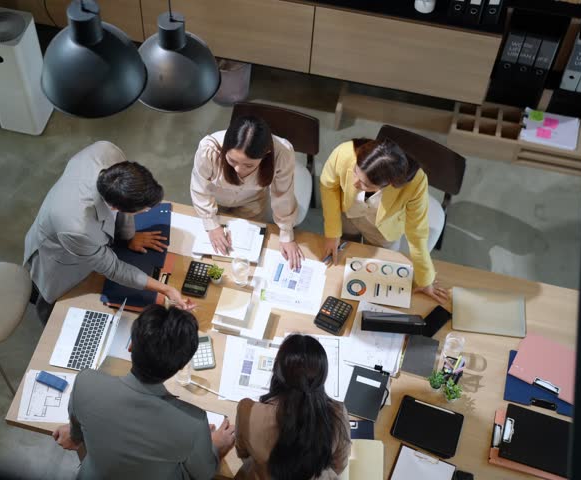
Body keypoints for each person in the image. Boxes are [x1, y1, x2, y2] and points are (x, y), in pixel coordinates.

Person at [52, 305, 236, 479]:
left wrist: (78, 433)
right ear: (180, 366)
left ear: (130, 345)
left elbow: (76, 433)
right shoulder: (193, 423)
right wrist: (215, 446)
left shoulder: (86, 382)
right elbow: (203, 473)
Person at [24, 141, 194, 325]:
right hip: (59, 258)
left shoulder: (108, 153)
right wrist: (165, 289)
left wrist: (129, 236)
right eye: (143, 210)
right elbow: (113, 268)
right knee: (53, 302)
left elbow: (124, 205)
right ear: (115, 206)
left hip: (77, 227)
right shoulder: (77, 228)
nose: (145, 212)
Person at [319, 138, 449, 303]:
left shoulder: (416, 183)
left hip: (383, 230)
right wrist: (332, 232)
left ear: (390, 184)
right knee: (342, 260)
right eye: (355, 172)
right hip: (348, 214)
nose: (354, 183)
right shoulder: (344, 152)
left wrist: (425, 278)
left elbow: (417, 231)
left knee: (376, 275)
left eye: (366, 185)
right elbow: (328, 185)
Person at [191, 116, 304, 269]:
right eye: (232, 161)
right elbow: (200, 188)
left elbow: (283, 194)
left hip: (253, 201)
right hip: (215, 200)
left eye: (249, 165)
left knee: (248, 252)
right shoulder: (209, 149)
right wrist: (211, 224)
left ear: (266, 154)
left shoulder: (281, 153)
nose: (238, 169)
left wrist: (286, 234)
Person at [234, 334, 350, 480]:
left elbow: (243, 452)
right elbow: (339, 464)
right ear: (321, 377)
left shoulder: (248, 412)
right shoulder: (337, 415)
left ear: (277, 371)